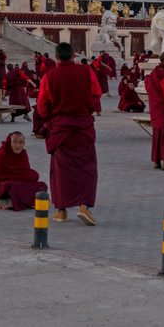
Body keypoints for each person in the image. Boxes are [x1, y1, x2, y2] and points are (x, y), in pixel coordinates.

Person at [36, 42, 100, 224]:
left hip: (61, 129)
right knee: (87, 168)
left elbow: (42, 106)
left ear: (56, 57)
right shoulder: (87, 71)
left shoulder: (50, 77)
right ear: (74, 55)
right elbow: (97, 94)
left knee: (61, 171)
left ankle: (62, 211)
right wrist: (87, 109)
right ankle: (84, 207)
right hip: (83, 128)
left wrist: (49, 120)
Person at [0, 132, 46, 209]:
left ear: (24, 144)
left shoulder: (23, 154)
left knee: (42, 185)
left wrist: (25, 176)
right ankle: (16, 199)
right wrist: (21, 177)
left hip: (17, 185)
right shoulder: (1, 154)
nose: (18, 146)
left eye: (20, 143)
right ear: (9, 142)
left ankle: (16, 199)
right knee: (8, 186)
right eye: (14, 142)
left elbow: (26, 172)